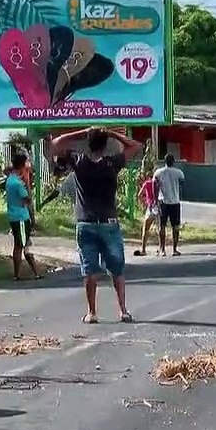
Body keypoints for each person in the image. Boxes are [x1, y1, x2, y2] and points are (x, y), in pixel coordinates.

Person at [48, 127, 145, 324]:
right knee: (117, 270)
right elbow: (136, 146)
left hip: (86, 223)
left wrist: (82, 132)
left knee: (90, 271)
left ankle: (92, 312)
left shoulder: (79, 162)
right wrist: (112, 133)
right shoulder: (111, 163)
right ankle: (123, 310)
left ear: (88, 143)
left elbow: (55, 144)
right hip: (109, 223)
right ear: (105, 145)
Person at [4, 152, 42, 281]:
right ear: (21, 165)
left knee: (20, 244)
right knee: (23, 245)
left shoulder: (10, 179)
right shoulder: (18, 183)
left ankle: (29, 272)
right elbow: (27, 199)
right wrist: (27, 184)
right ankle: (29, 273)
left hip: (13, 216)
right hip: (21, 217)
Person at [153, 153, 186, 256]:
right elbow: (182, 183)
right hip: (175, 202)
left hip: (163, 202)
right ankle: (175, 249)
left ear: (165, 161)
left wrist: (155, 200)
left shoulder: (158, 172)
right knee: (175, 226)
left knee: (162, 226)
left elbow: (154, 185)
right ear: (173, 162)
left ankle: (162, 249)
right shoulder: (178, 172)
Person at [134, 168, 158, 257]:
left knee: (146, 228)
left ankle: (143, 249)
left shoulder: (147, 183)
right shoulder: (159, 184)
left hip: (150, 207)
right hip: (158, 206)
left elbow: (139, 195)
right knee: (160, 228)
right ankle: (161, 248)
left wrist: (144, 203)